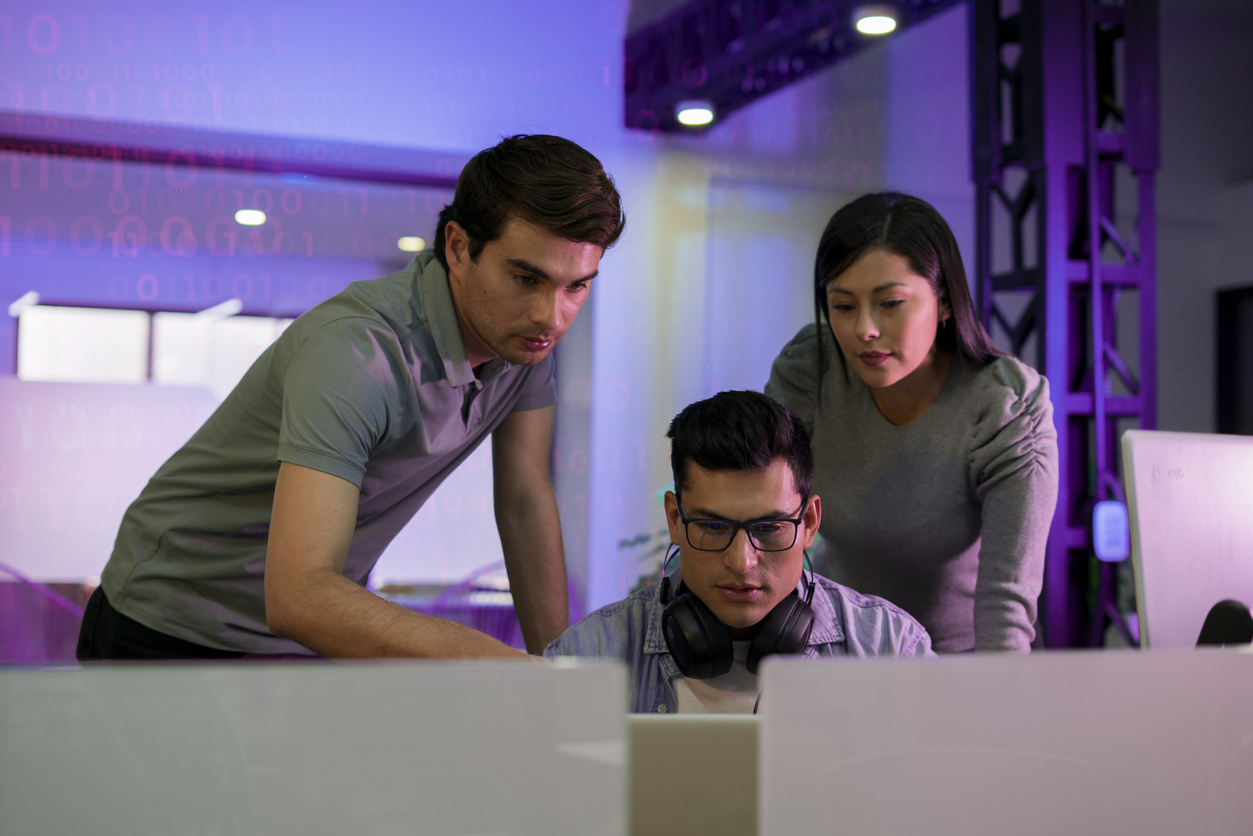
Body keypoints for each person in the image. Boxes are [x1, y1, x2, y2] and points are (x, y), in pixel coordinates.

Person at [77, 135, 625, 662]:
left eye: (576, 286)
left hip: (299, 637)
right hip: (167, 618)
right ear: (459, 248)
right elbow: (298, 596)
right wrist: (489, 660)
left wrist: (559, 675)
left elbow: (525, 498)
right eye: (526, 278)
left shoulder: (523, 344)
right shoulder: (357, 351)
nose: (551, 317)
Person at [765, 192, 1059, 653]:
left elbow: (1007, 605)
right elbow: (766, 520)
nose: (864, 329)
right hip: (834, 650)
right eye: (843, 306)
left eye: (890, 303)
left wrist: (998, 704)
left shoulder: (1006, 405)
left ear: (943, 301)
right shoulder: (811, 369)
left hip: (956, 660)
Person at [546, 391, 932, 714]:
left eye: (768, 528)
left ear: (810, 522)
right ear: (675, 520)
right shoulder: (590, 656)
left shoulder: (891, 649)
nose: (741, 561)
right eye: (713, 527)